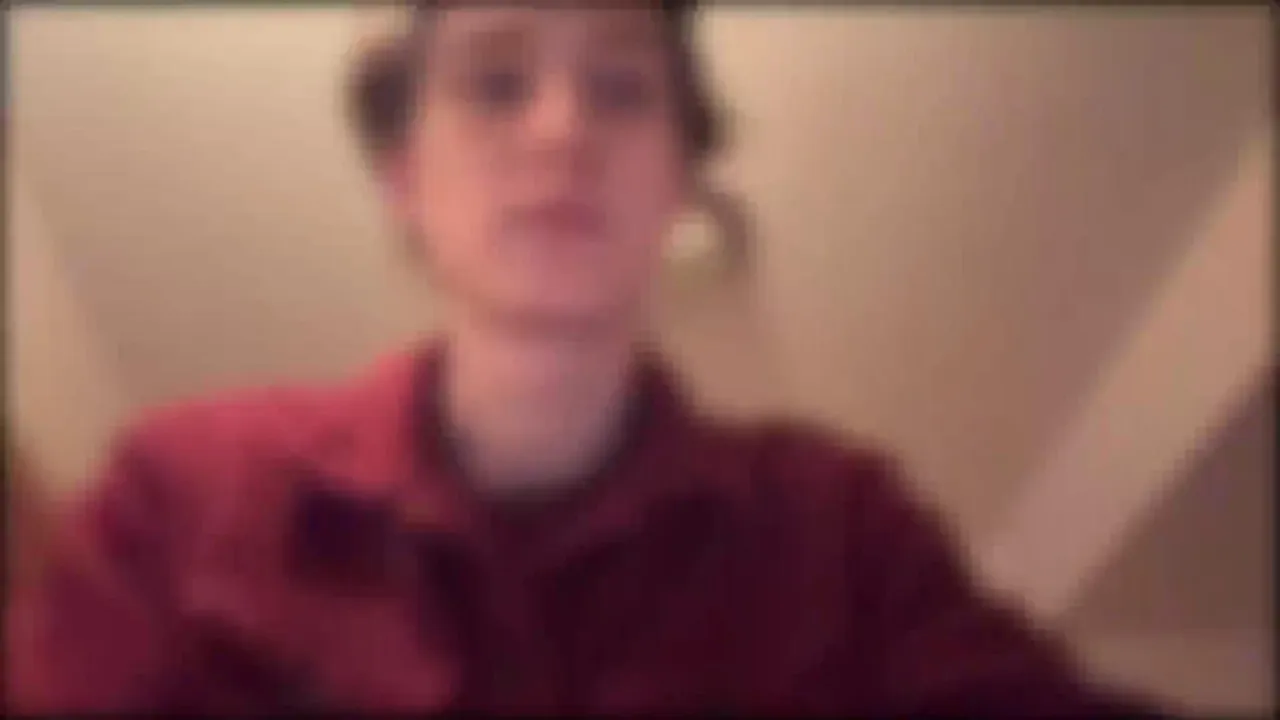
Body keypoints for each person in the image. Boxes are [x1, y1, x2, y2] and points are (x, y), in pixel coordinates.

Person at [8, 2, 1168, 715]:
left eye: (619, 87)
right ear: (404, 176)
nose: (561, 130)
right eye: (495, 81)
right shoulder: (186, 492)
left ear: (678, 182)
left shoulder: (842, 531)